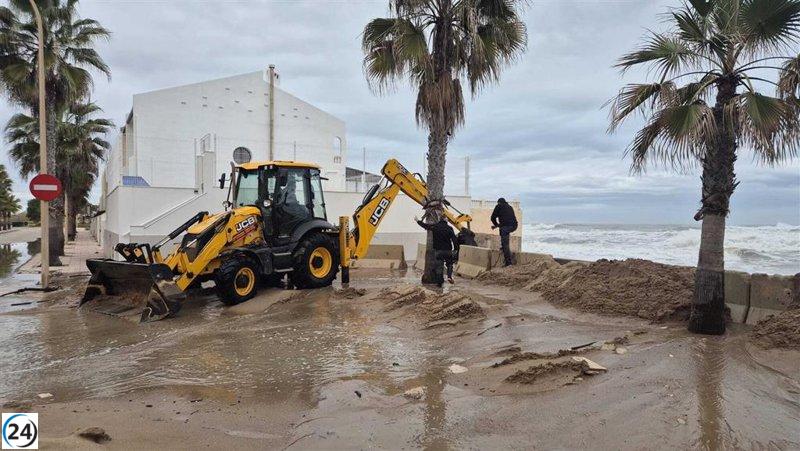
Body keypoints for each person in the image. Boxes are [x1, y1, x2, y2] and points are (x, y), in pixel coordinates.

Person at [415, 216, 459, 286]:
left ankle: (439, 282)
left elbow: (426, 226)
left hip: (438, 251)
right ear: (446, 220)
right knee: (449, 264)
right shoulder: (449, 228)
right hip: (448, 250)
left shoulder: (435, 227)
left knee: (439, 266)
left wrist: (418, 221)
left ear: (439, 220)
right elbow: (454, 239)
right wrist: (456, 249)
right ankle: (449, 277)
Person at [491, 198, 518, 266]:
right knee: (503, 230)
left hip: (506, 226)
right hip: (514, 226)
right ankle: (504, 247)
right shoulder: (510, 207)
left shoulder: (498, 206)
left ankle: (508, 263)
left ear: (499, 202)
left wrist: (496, 224)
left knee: (505, 244)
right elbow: (506, 220)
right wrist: (498, 226)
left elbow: (492, 218)